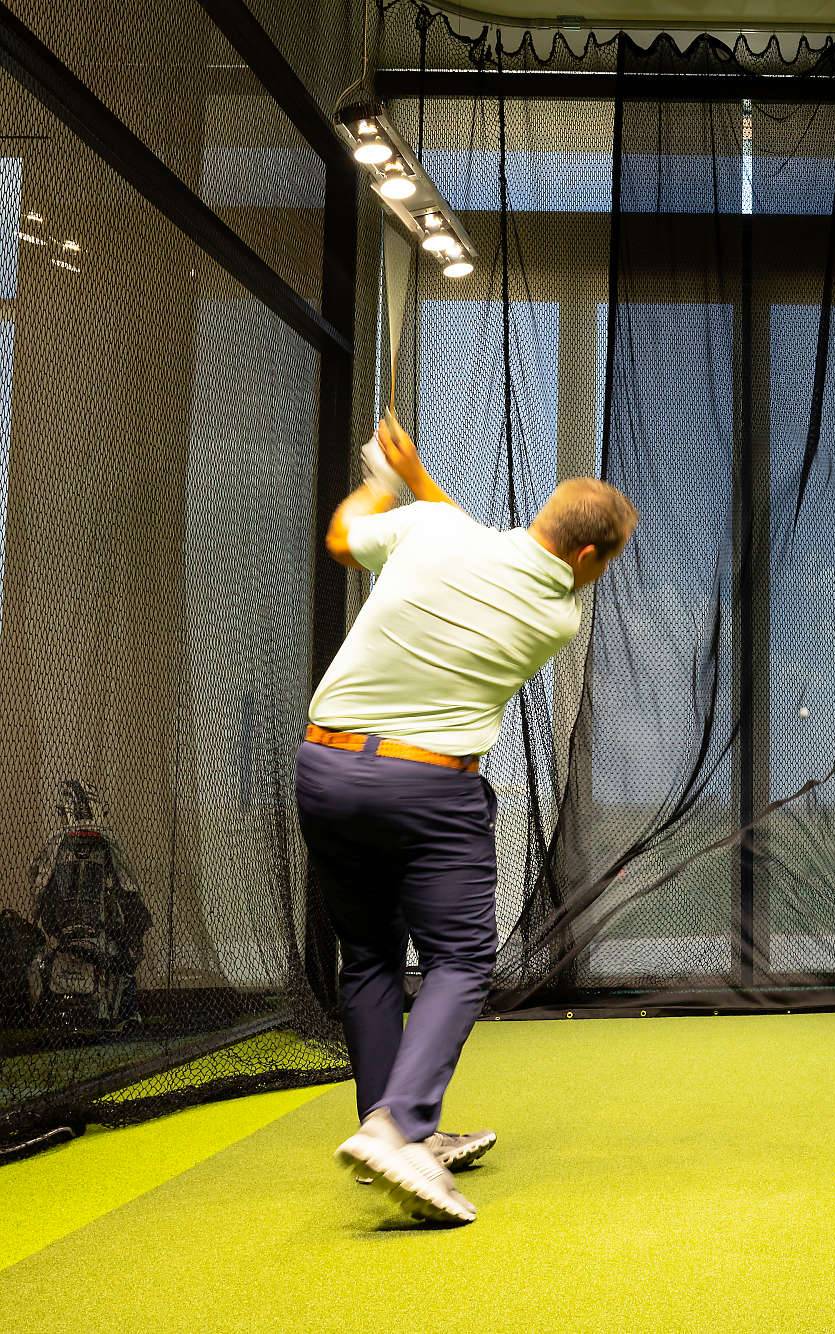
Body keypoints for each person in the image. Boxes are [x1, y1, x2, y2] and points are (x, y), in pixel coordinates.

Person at [297, 414, 636, 1225]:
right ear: (585, 559)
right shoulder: (557, 621)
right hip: (427, 791)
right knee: (461, 958)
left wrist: (386, 478)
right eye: (602, 566)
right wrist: (417, 486)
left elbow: (347, 538)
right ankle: (401, 1130)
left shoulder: (436, 532)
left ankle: (389, 1121)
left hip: (325, 768)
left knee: (370, 956)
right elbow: (491, 556)